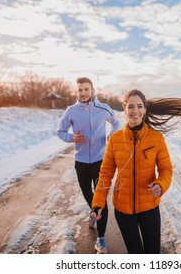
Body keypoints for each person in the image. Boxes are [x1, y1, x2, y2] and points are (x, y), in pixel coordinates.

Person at [90, 89, 181, 254]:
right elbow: (105, 174)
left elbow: (166, 169)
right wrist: (98, 204)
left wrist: (160, 184)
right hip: (123, 210)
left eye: (139, 106)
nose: (135, 111)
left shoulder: (156, 138)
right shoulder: (115, 140)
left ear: (145, 109)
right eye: (130, 106)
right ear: (124, 109)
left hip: (149, 207)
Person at [57, 77, 120, 254]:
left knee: (101, 198)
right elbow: (60, 131)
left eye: (86, 89)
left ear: (92, 90)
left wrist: (112, 135)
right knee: (88, 194)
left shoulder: (103, 108)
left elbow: (116, 123)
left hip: (101, 161)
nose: (83, 93)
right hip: (81, 162)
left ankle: (101, 237)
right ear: (76, 92)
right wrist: (72, 138)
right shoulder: (71, 111)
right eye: (80, 90)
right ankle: (94, 212)